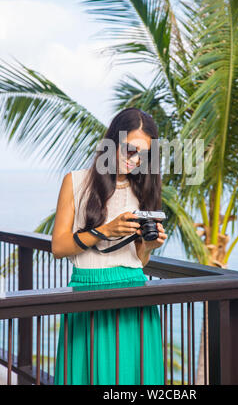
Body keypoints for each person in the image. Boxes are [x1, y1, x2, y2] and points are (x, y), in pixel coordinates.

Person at [51, 107, 167, 385]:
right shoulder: (76, 182)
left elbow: (138, 261)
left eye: (144, 155)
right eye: (129, 150)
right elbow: (58, 246)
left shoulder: (145, 190)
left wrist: (149, 246)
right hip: (88, 292)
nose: (135, 160)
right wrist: (104, 232)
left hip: (135, 296)